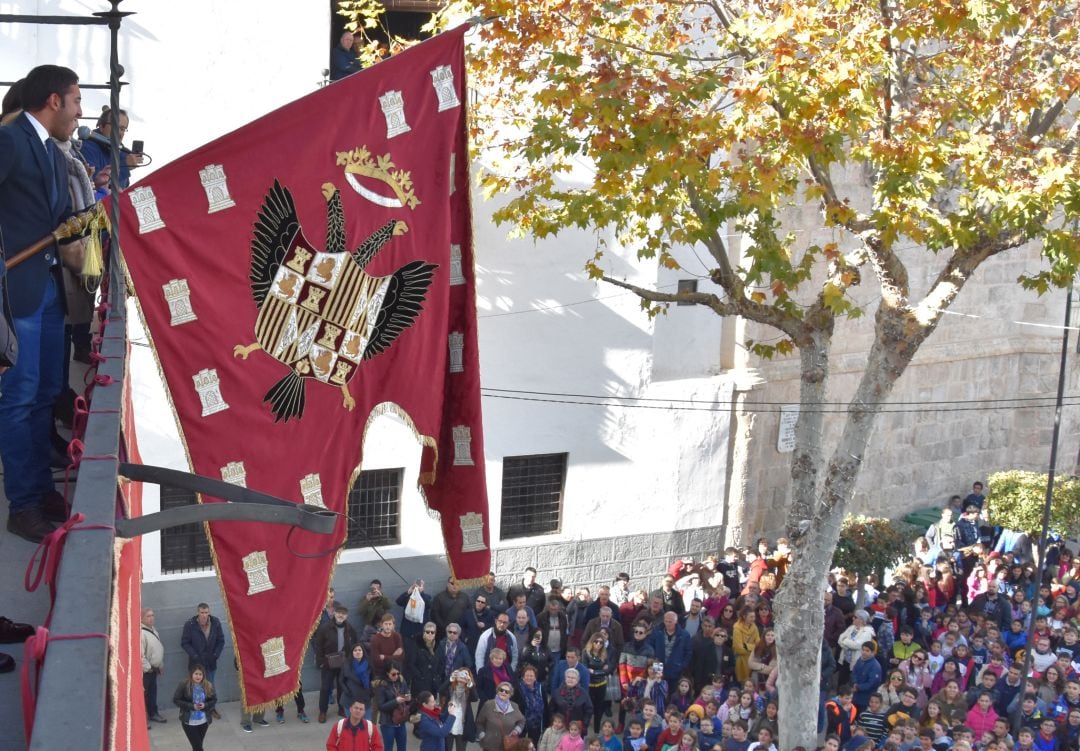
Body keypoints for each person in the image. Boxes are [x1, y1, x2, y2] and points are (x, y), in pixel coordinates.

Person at [0, 64, 82, 543]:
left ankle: (38, 489)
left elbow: (52, 218)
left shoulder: (52, 152)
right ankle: (24, 504)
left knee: (46, 389)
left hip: (49, 287)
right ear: (53, 100)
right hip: (18, 291)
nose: (78, 114)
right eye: (75, 102)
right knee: (20, 396)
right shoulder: (10, 141)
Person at [78, 106, 143, 194]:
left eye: (123, 129)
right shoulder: (88, 147)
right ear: (101, 126)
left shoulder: (122, 153)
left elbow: (123, 186)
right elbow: (94, 183)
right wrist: (125, 166)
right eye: (115, 126)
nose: (119, 132)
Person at [179, 603, 224, 718]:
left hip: (210, 661)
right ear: (198, 613)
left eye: (206, 612)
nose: (204, 615)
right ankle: (193, 709)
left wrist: (215, 655)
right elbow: (185, 643)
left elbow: (221, 640)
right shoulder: (190, 624)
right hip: (196, 663)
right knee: (195, 687)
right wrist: (194, 655)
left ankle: (211, 708)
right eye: (202, 613)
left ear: (209, 612)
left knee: (210, 686)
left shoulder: (215, 622)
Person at [316, 603, 359, 723]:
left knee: (342, 687)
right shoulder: (325, 628)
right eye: (339, 613)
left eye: (344, 614)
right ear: (334, 613)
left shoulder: (350, 629)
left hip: (344, 663)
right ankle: (323, 711)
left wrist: (352, 661)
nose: (341, 615)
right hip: (328, 663)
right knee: (325, 687)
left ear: (347, 616)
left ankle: (341, 708)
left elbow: (355, 645)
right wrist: (321, 662)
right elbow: (318, 646)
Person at [173, 664, 216, 751]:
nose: (198, 676)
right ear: (191, 674)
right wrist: (191, 706)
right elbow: (176, 700)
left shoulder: (208, 685)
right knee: (198, 748)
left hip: (203, 722)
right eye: (196, 674)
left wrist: (205, 705)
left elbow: (214, 700)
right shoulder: (184, 685)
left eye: (200, 674)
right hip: (189, 722)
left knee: (197, 746)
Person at [476, 681, 526, 751]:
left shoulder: (514, 706)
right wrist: (482, 735)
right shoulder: (488, 704)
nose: (503, 692)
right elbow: (479, 722)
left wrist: (516, 730)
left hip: (507, 746)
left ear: (510, 695)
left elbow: (522, 720)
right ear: (497, 691)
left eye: (507, 692)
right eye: (501, 690)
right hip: (489, 746)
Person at [648, 611, 692, 685]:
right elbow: (650, 646)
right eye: (666, 621)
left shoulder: (684, 635)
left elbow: (688, 652)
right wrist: (653, 659)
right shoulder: (657, 631)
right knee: (657, 687)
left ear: (676, 622)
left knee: (673, 691)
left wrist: (682, 665)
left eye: (670, 622)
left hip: (676, 667)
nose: (667, 624)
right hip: (658, 664)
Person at [378, 661, 412, 751]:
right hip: (388, 722)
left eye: (398, 673)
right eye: (393, 674)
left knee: (402, 748)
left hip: (401, 720)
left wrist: (408, 698)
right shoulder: (382, 685)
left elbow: (407, 692)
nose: (396, 676)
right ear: (387, 673)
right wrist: (395, 701)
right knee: (388, 748)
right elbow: (381, 706)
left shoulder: (401, 681)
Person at [141, 607, 166, 724]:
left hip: (154, 669)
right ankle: (143, 719)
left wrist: (160, 665)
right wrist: (148, 668)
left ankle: (153, 713)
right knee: (143, 695)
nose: (151, 618)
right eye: (148, 616)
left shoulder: (154, 630)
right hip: (146, 671)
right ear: (142, 618)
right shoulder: (141, 633)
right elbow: (140, 655)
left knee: (152, 693)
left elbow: (157, 649)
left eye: (152, 615)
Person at [341, 643, 374, 717]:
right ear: (352, 652)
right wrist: (347, 691)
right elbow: (341, 681)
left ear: (363, 652)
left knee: (366, 724)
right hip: (350, 699)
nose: (358, 652)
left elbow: (373, 679)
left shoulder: (369, 664)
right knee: (352, 725)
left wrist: (371, 692)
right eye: (355, 650)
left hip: (365, 699)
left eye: (360, 650)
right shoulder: (346, 664)